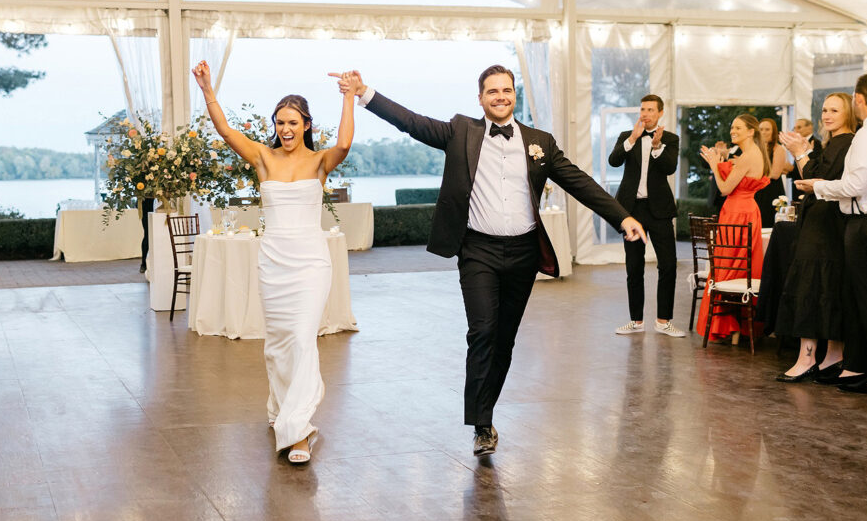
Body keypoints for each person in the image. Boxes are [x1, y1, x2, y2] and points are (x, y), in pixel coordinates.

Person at [337, 65, 646, 456]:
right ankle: (481, 424)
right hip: (477, 251)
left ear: (514, 95)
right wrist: (365, 93)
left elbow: (580, 182)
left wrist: (622, 216)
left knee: (504, 340)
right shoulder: (461, 131)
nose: (500, 96)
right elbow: (411, 123)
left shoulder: (540, 142)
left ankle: (488, 410)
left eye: (506, 90)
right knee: (482, 331)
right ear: (480, 98)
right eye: (492, 91)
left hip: (522, 253)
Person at [192, 60, 357, 463]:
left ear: (305, 125)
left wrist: (350, 97)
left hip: (310, 263)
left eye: (293, 122)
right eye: (280, 122)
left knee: (302, 339)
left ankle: (298, 431)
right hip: (273, 262)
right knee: (280, 343)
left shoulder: (319, 163)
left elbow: (345, 145)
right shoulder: (263, 158)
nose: (285, 129)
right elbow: (226, 131)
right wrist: (208, 90)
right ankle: (281, 409)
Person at [797, 72, 867, 395]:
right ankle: (858, 365)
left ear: (858, 100)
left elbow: (855, 186)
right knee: (858, 299)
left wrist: (817, 186)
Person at [773, 93, 857, 382]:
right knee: (823, 286)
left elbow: (820, 183)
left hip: (826, 225)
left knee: (812, 286)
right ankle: (831, 355)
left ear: (849, 113)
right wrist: (803, 156)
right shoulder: (832, 143)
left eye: (835, 110)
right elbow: (813, 180)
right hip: (823, 223)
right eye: (824, 109)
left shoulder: (845, 143)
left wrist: (799, 153)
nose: (827, 115)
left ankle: (808, 357)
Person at [609, 94, 683, 337]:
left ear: (660, 113)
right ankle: (636, 321)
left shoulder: (670, 139)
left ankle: (663, 321)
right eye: (643, 109)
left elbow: (669, 167)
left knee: (668, 265)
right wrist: (632, 139)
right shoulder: (625, 137)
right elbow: (613, 161)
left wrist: (656, 147)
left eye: (651, 109)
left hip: (660, 210)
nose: (646, 113)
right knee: (634, 267)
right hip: (632, 211)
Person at [696, 115, 770, 342]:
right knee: (736, 266)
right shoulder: (749, 154)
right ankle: (735, 328)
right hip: (743, 211)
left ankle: (730, 326)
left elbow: (725, 188)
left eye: (737, 127)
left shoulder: (749, 156)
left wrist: (713, 167)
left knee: (729, 265)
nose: (732, 131)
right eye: (731, 126)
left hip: (738, 212)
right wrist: (722, 162)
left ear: (751, 131)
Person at [755, 118, 788, 228]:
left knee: (769, 224)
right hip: (757, 190)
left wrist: (753, 173)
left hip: (771, 191)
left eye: (767, 129)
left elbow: (775, 174)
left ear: (773, 132)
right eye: (761, 129)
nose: (764, 132)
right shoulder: (754, 149)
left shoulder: (778, 149)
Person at [787, 117, 821, 200]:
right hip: (798, 182)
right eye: (794, 128)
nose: (796, 130)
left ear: (810, 127)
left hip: (808, 184)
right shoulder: (798, 142)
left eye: (799, 127)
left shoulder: (816, 143)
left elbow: (813, 164)